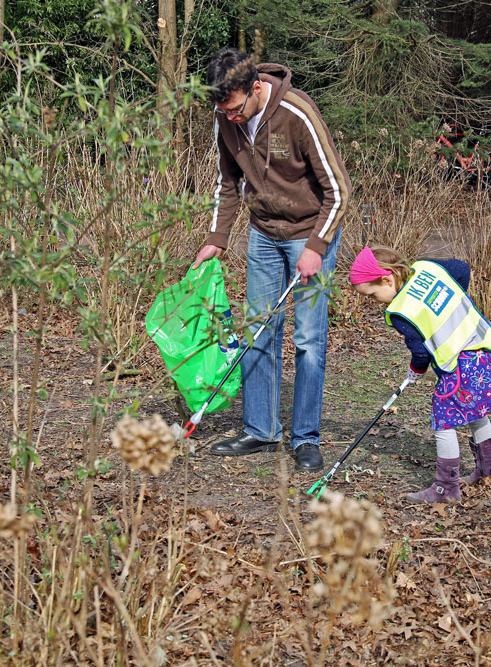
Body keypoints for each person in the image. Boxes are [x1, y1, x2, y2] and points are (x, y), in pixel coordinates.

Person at [192, 47, 350, 472]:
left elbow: (338, 189)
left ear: (255, 87)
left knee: (309, 342)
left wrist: (317, 247)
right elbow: (228, 184)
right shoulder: (226, 118)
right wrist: (217, 239)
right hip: (262, 233)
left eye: (234, 108)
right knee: (258, 331)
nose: (229, 118)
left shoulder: (297, 114)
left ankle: (305, 439)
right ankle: (260, 430)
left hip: (308, 235)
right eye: (221, 110)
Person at [348, 245, 491, 503]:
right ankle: (489, 470)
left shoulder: (403, 311)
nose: (372, 301)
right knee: (476, 412)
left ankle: (446, 487)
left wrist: (415, 372)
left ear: (387, 279)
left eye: (371, 294)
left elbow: (421, 354)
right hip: (482, 348)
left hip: (460, 366)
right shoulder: (427, 268)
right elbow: (462, 270)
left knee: (443, 422)